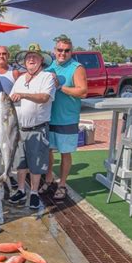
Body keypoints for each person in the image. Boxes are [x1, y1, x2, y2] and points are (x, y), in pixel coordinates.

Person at [9, 44, 56, 209]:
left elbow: (44, 97)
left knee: (36, 164)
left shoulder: (47, 77)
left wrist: (24, 95)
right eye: (29, 57)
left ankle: (34, 192)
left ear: (41, 60)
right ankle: (21, 190)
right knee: (21, 162)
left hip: (37, 128)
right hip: (19, 128)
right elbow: (11, 98)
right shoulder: (20, 79)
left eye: (35, 57)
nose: (31, 59)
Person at [42, 35, 88, 200]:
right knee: (48, 151)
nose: (63, 53)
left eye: (66, 51)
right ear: (54, 51)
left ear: (71, 52)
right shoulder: (49, 67)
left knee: (65, 153)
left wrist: (61, 87)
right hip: (48, 118)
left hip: (67, 119)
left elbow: (82, 91)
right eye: (60, 50)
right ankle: (48, 179)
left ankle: (62, 185)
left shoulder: (77, 68)